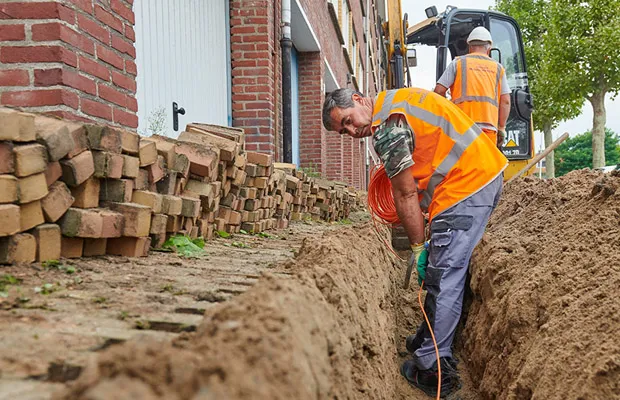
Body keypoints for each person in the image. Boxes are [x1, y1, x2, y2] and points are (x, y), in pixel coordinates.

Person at [322, 87, 507, 397]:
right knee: (442, 267)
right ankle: (428, 337)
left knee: (444, 275)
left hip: (466, 184)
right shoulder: (397, 100)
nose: (353, 131)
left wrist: (418, 247)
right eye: (345, 130)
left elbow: (405, 193)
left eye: (348, 120)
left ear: (356, 99)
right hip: (478, 174)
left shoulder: (389, 128)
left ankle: (433, 366)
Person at [434, 26, 511, 148]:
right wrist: (501, 127)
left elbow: (439, 91)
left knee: (463, 165)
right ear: (489, 48)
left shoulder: (458, 63)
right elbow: (506, 101)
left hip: (462, 128)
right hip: (488, 129)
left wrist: (448, 114)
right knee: (486, 166)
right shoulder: (498, 68)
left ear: (470, 47)